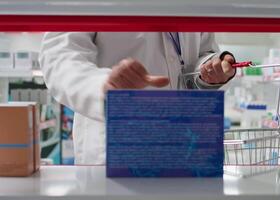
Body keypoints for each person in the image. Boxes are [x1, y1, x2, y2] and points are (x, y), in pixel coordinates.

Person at [39, 32, 236, 164]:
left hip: (183, 145)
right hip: (116, 149)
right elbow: (59, 55)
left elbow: (200, 52)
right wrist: (103, 88)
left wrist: (209, 69)